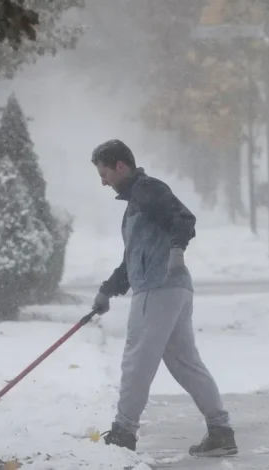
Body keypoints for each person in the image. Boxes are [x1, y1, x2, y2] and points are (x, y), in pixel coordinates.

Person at [90, 139, 237, 457]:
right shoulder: (135, 204)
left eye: (104, 174)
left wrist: (177, 250)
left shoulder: (147, 191)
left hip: (158, 289)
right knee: (186, 364)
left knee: (136, 362)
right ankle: (221, 431)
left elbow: (183, 218)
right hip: (173, 289)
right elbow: (131, 259)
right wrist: (107, 290)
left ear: (120, 166)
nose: (103, 181)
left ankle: (123, 432)